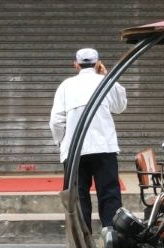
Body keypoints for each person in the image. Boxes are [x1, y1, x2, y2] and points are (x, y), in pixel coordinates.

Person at [50, 46, 128, 231]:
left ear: (75, 65)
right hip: (104, 149)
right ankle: (111, 237)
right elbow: (120, 106)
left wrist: (62, 142)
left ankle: (82, 241)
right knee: (109, 194)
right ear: (98, 63)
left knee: (78, 196)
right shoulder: (107, 82)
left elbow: (56, 121)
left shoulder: (66, 86)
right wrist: (108, 75)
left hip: (75, 150)